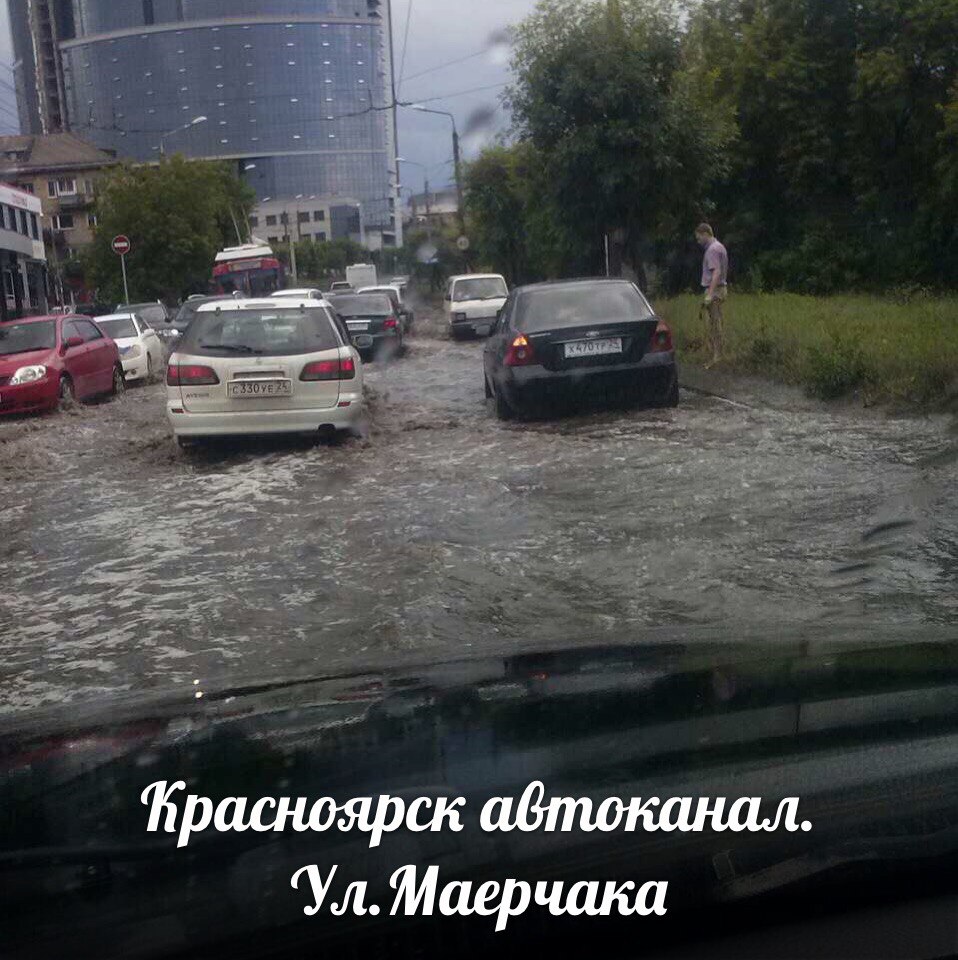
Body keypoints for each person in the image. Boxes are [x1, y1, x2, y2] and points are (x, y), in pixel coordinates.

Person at [695, 223, 728, 368]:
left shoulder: (712, 250)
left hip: (714, 290)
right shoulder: (719, 246)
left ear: (705, 233)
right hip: (721, 288)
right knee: (717, 321)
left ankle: (717, 357)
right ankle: (717, 354)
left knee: (714, 324)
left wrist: (709, 294)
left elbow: (716, 272)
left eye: (699, 238)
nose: (698, 241)